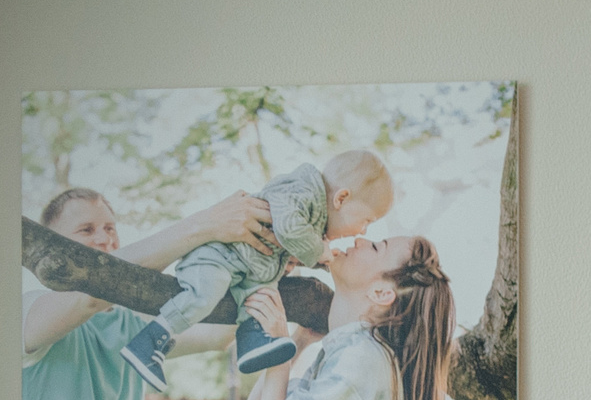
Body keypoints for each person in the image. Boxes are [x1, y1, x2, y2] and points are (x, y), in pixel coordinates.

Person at [119, 149, 393, 387]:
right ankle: (151, 339)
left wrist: (318, 258)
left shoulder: (315, 218)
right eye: (366, 219)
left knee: (262, 297)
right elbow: (289, 227)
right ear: (341, 198)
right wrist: (317, 250)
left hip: (245, 269)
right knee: (205, 292)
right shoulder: (303, 191)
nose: (362, 231)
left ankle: (253, 343)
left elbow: (293, 244)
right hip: (218, 256)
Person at [20, 187, 282, 400]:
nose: (105, 239)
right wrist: (208, 223)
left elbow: (218, 335)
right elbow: (90, 296)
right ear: (54, 245)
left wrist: (270, 264)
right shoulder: (29, 311)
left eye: (110, 228)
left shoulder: (132, 323)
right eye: (86, 229)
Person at [240, 235, 454, 400]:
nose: (360, 241)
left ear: (380, 293)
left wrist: (281, 352)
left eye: (376, 247)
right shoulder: (353, 354)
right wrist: (299, 341)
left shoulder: (360, 359)